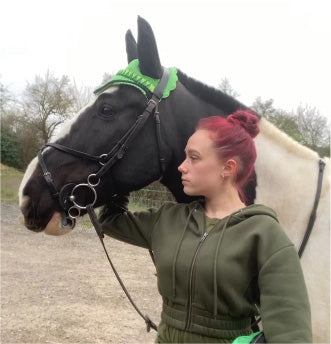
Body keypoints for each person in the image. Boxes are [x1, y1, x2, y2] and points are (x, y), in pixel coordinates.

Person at [98, 110, 312, 343]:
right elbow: (110, 220)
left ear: (227, 168)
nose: (181, 166)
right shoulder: (168, 219)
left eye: (194, 157)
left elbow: (291, 334)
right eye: (184, 156)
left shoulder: (264, 234)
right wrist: (125, 174)